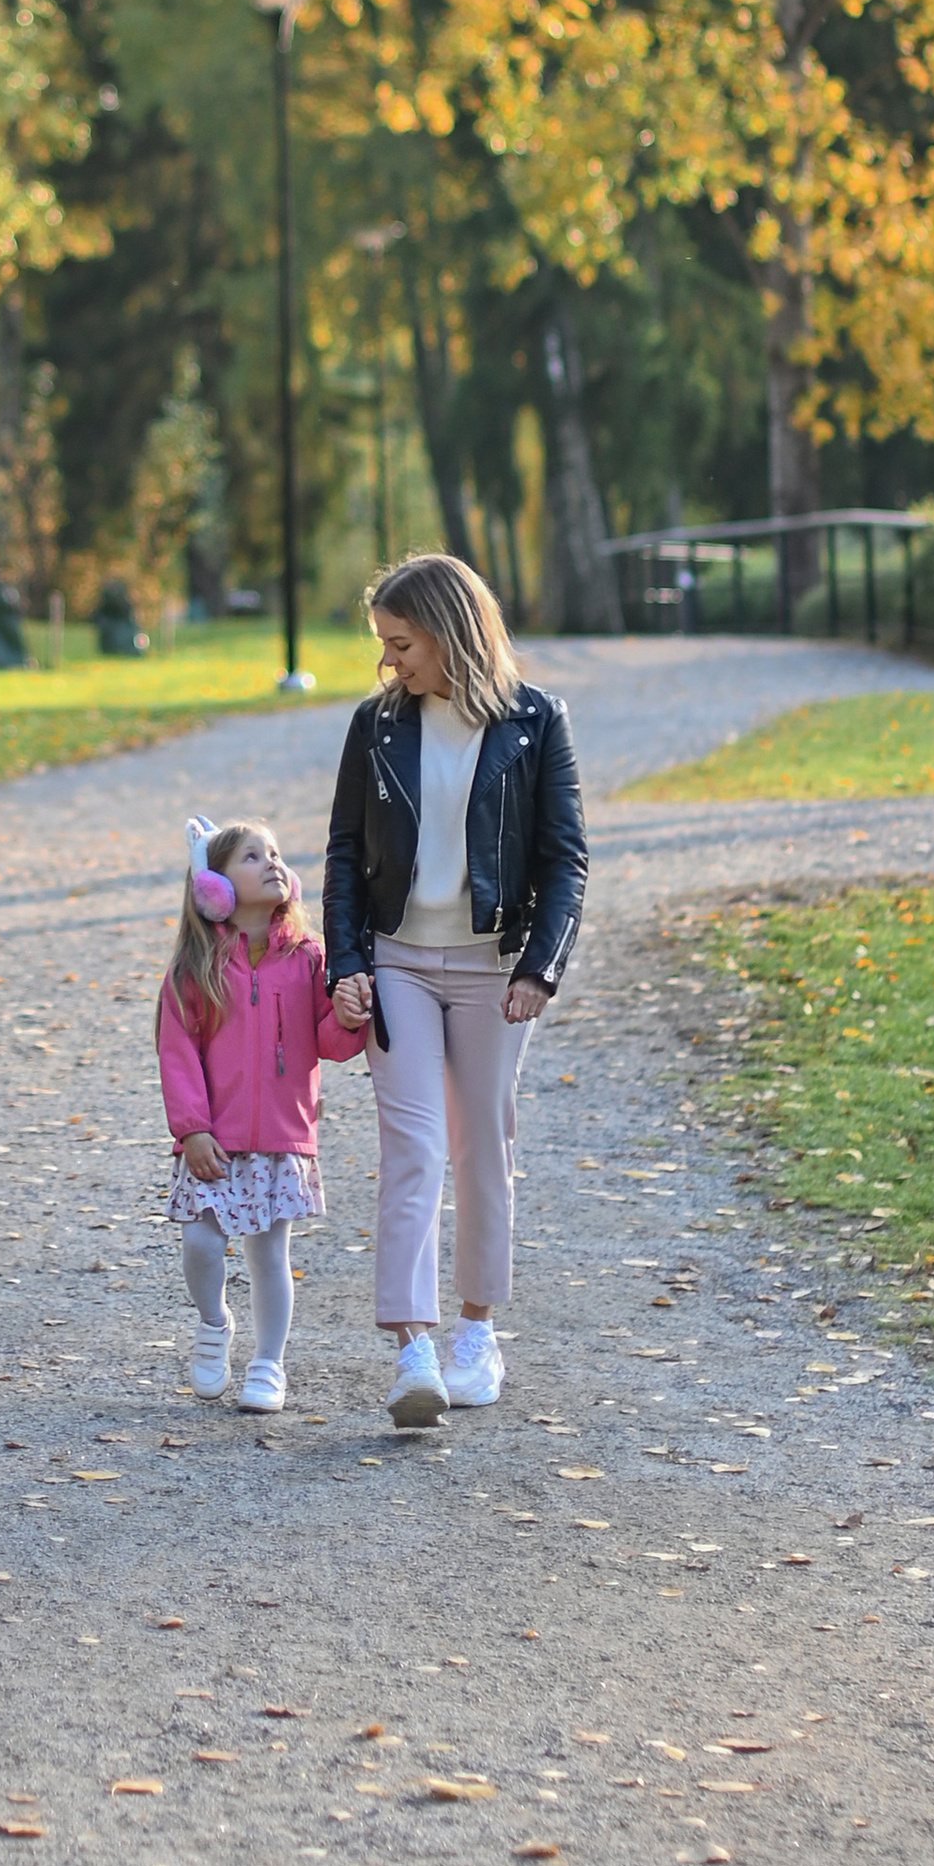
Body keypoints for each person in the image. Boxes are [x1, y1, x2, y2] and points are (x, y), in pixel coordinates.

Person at [323, 551, 588, 1429]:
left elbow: (565, 859)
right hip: (396, 961)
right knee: (413, 1149)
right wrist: (347, 962)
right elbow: (342, 855)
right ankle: (412, 1350)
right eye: (384, 647)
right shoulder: (377, 724)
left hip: (492, 970)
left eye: (401, 644)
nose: (389, 662)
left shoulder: (535, 721)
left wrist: (538, 968)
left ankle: (478, 1331)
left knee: (484, 1146)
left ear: (449, 632)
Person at [155, 814, 361, 1412]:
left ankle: (269, 1364)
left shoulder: (308, 957)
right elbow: (178, 1053)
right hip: (212, 1140)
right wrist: (191, 1128)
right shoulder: (195, 969)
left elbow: (331, 1042)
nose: (271, 862)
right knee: (199, 1242)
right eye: (252, 856)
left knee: (271, 1255)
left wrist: (348, 1017)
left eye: (274, 853)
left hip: (280, 1137)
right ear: (213, 888)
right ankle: (215, 1321)